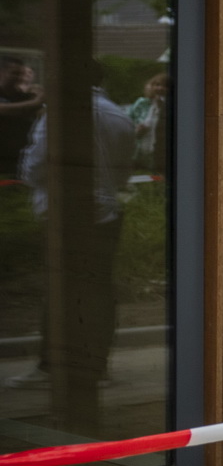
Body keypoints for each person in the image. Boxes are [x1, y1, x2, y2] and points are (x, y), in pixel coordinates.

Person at [12, 83, 137, 393]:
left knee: (60, 290)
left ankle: (51, 367)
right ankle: (97, 366)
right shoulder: (119, 115)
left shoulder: (61, 114)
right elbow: (122, 172)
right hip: (105, 213)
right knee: (98, 291)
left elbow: (33, 168)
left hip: (66, 215)